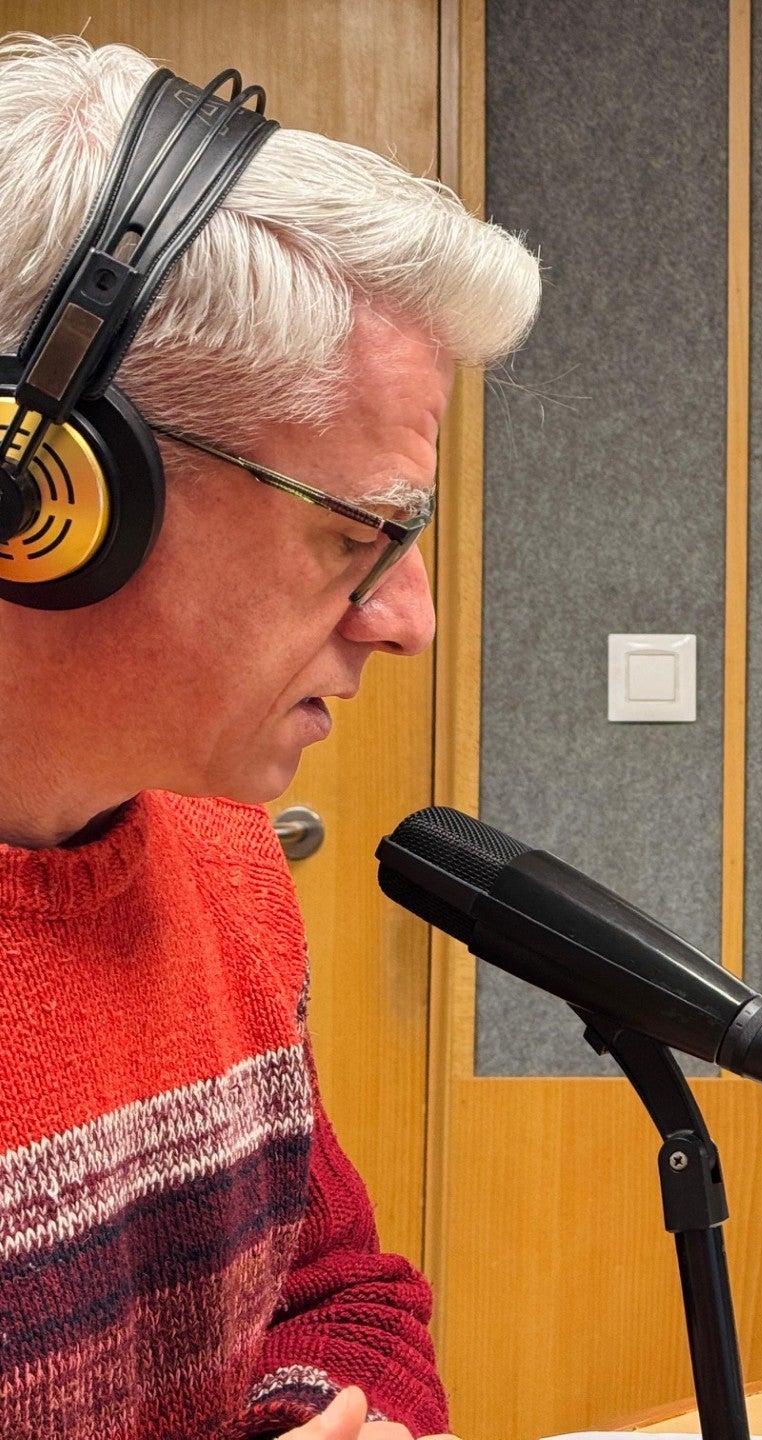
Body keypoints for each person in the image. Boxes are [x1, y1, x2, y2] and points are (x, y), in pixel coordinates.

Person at [0, 33, 539, 1439]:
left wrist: (325, 1412)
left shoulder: (220, 850)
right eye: (360, 533)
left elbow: (334, 1291)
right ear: (51, 490)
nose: (407, 618)